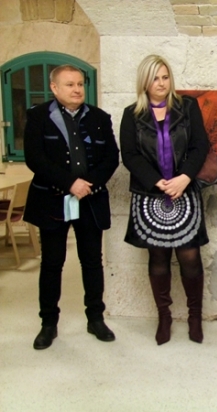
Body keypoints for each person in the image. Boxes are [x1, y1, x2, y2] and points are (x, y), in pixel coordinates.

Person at [24, 64, 120, 350]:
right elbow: (35, 158)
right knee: (52, 263)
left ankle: (96, 319)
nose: (77, 89)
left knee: (92, 262)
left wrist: (87, 184)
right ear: (54, 88)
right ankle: (48, 324)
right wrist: (70, 183)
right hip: (52, 200)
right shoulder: (38, 117)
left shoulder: (99, 118)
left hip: (90, 200)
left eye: (80, 84)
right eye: (70, 85)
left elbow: (111, 157)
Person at [120, 55, 210, 346]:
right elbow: (129, 155)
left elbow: (200, 146)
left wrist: (184, 177)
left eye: (165, 77)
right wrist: (156, 181)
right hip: (150, 194)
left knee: (190, 256)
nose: (161, 83)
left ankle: (195, 316)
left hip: (184, 190)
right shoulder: (131, 114)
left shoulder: (188, 107)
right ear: (144, 82)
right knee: (158, 257)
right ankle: (164, 316)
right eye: (154, 78)